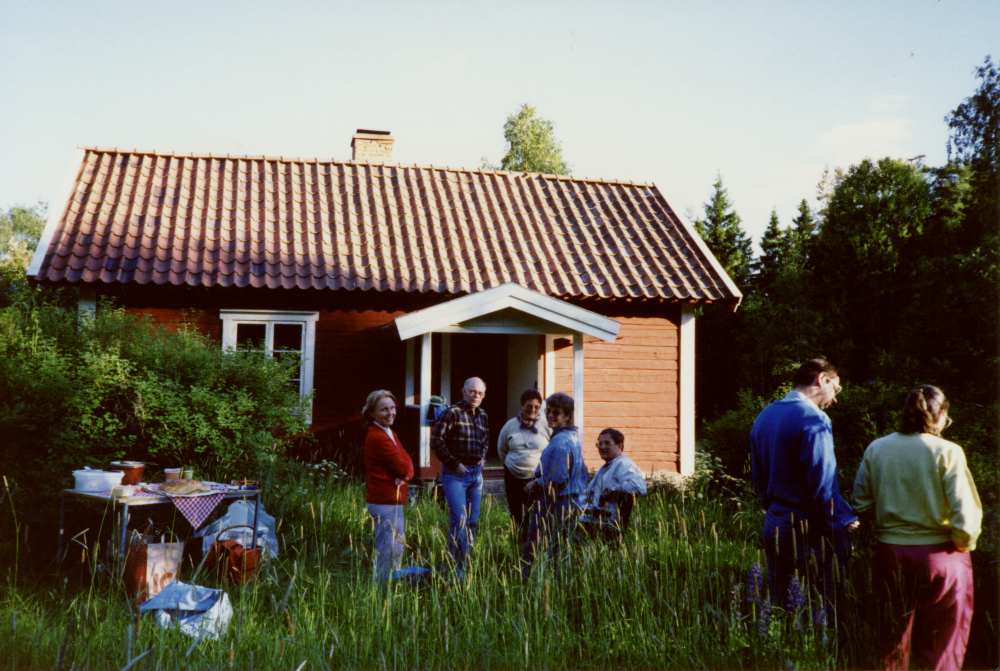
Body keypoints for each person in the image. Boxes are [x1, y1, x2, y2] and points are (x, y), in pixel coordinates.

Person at [853, 385, 982, 671]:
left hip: (891, 554)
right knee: (943, 644)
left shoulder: (877, 448)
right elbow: (966, 514)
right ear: (941, 415)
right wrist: (962, 544)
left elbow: (860, 500)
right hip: (941, 556)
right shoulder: (948, 451)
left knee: (890, 640)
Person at [749, 358, 859, 632]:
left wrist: (775, 508)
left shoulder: (765, 415)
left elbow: (758, 476)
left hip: (774, 521)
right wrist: (842, 520)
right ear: (822, 379)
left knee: (780, 604)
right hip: (807, 528)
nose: (835, 399)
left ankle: (779, 655)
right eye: (837, 389)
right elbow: (822, 484)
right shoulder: (813, 418)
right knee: (824, 606)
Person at [521, 392, 588, 581]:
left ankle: (528, 588)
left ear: (567, 415)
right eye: (547, 411)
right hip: (573, 501)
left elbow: (555, 477)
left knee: (536, 547)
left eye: (556, 412)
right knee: (561, 548)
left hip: (555, 502)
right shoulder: (572, 437)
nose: (550, 415)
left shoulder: (559, 442)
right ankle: (560, 587)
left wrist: (534, 483)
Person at [431, 377, 490, 575]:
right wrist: (454, 463)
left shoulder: (483, 415)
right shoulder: (451, 413)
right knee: (460, 521)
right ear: (463, 391)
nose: (476, 396)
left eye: (480, 393)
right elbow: (436, 441)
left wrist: (482, 456)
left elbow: (485, 439)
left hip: (476, 475)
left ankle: (466, 563)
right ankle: (456, 569)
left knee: (472, 522)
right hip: (455, 476)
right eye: (472, 391)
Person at [362, 389, 413, 582]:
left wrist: (406, 474)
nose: (390, 413)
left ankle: (394, 582)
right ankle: (383, 588)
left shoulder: (389, 432)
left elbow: (407, 459)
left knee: (397, 545)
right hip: (384, 501)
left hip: (394, 500)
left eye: (392, 408)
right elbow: (401, 465)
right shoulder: (379, 436)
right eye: (384, 410)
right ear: (372, 413)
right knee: (386, 549)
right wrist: (406, 472)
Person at [497, 389, 551, 544]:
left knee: (536, 513)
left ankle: (535, 545)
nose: (533, 410)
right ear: (521, 405)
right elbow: (502, 449)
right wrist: (513, 466)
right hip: (513, 477)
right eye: (529, 406)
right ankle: (518, 544)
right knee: (517, 513)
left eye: (536, 406)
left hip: (537, 478)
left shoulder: (546, 425)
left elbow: (553, 448)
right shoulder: (510, 425)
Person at [579, 428, 647, 538]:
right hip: (590, 518)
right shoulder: (606, 467)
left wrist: (614, 489)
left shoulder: (623, 464)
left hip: (605, 524)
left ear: (619, 446)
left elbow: (641, 487)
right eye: (600, 443)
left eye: (607, 443)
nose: (602, 447)